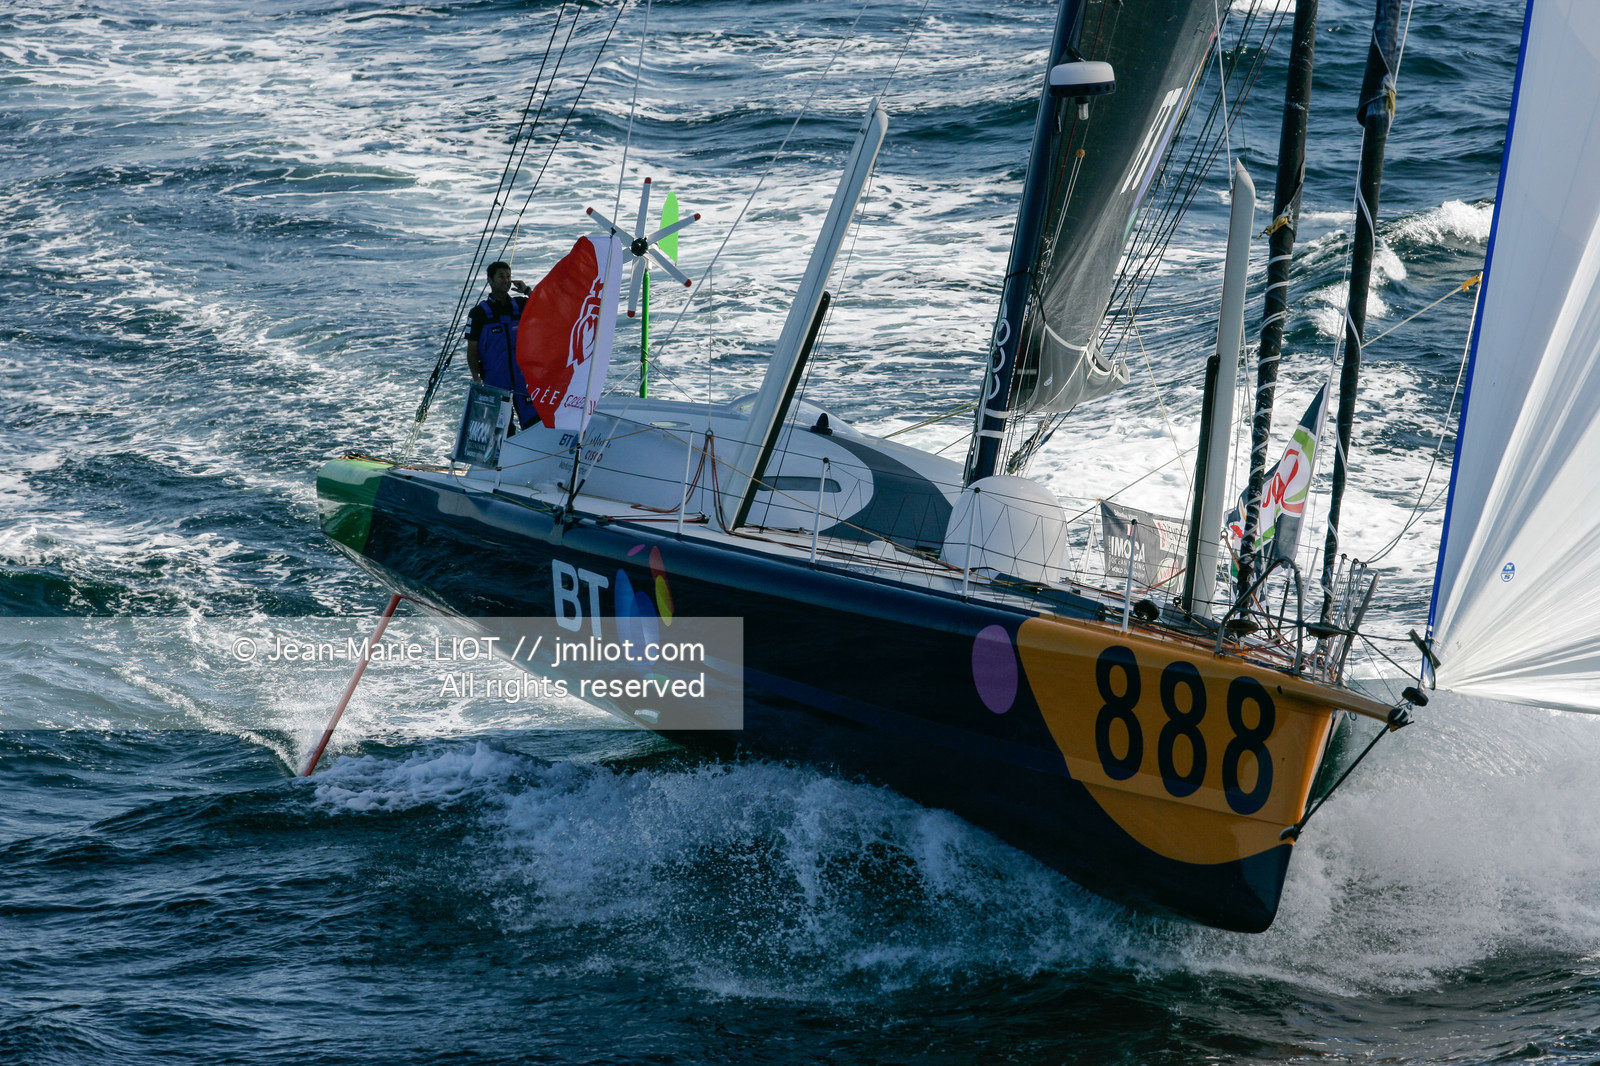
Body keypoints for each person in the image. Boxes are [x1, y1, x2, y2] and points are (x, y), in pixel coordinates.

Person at [465, 260, 539, 429]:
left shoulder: (521, 305)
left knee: (534, 424)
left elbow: (546, 308)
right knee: (502, 429)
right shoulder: (479, 313)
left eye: (508, 276)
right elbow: (472, 348)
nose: (506, 280)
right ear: (490, 280)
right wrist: (476, 377)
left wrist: (527, 291)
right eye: (501, 277)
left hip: (523, 379)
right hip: (495, 379)